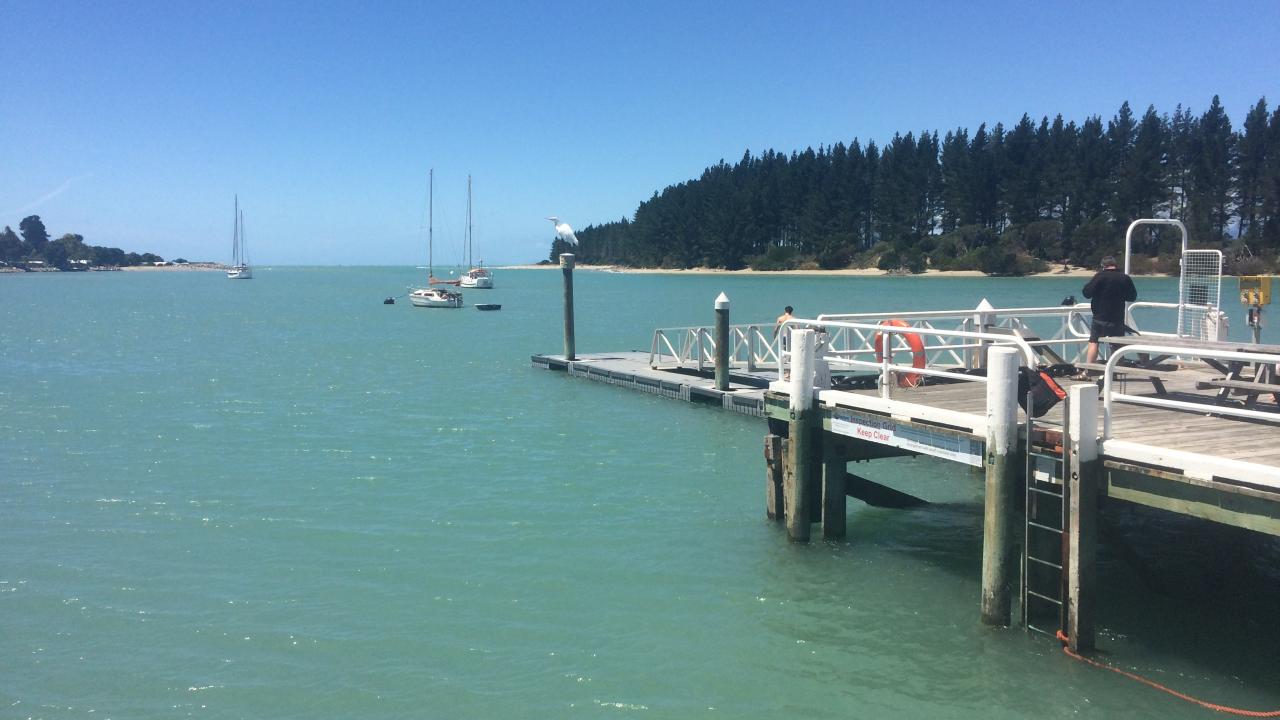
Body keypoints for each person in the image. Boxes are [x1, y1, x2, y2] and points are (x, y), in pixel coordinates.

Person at [1082, 256, 1137, 364]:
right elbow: (1132, 297)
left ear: (1103, 266)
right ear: (1116, 265)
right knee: (1117, 345)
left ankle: (1089, 369)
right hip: (1117, 318)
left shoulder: (1099, 277)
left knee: (1094, 342)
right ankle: (1115, 371)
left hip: (1099, 317)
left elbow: (1086, 293)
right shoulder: (1124, 278)